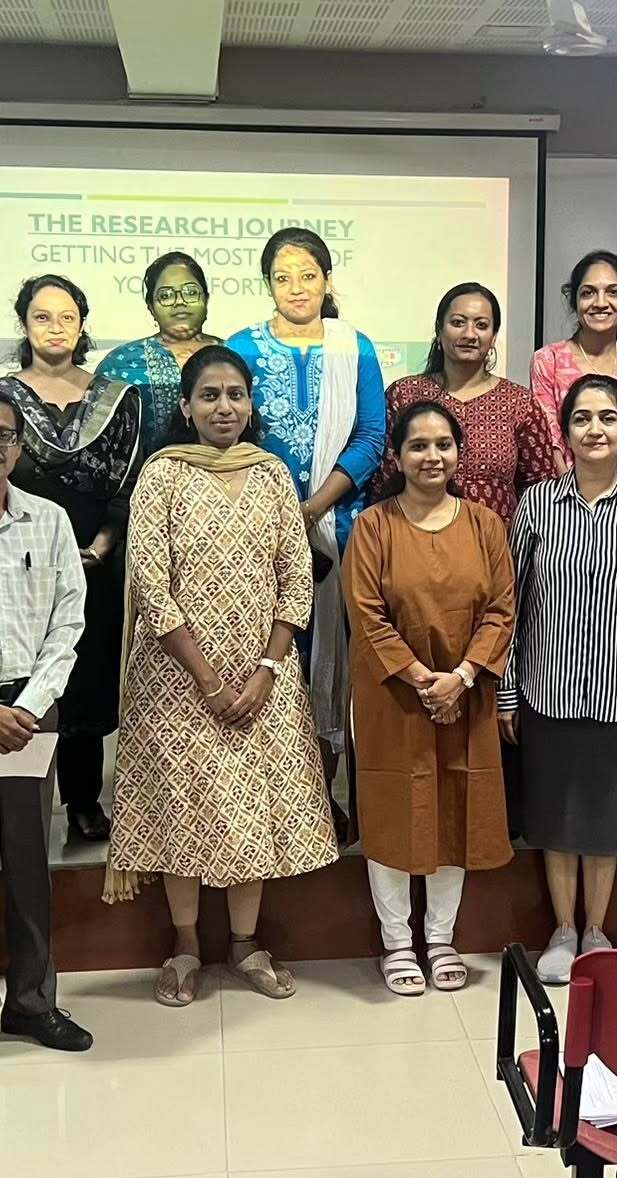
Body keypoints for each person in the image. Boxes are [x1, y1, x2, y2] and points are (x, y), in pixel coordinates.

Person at [107, 345, 338, 1005]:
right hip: (175, 682)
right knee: (183, 807)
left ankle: (243, 944)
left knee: (248, 810)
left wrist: (266, 669)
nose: (224, 407)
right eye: (209, 395)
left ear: (250, 403)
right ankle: (185, 946)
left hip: (262, 679)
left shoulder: (271, 474)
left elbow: (296, 579)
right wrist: (207, 678)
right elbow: (151, 585)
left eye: (236, 394)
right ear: (186, 406)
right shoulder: (162, 475)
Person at [499, 375, 617, 984]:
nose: (595, 429)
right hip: (544, 690)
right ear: (565, 431)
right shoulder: (535, 504)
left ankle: (596, 930)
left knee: (605, 823)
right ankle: (562, 930)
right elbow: (512, 604)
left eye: (608, 418)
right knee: (557, 821)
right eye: (582, 418)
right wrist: (507, 691)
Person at [346, 401, 515, 995]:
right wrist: (422, 679)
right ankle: (397, 941)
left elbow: (501, 610)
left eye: (443, 444)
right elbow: (366, 614)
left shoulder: (485, 525)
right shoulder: (374, 527)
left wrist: (461, 677)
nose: (432, 456)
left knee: (454, 808)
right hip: (393, 697)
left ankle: (441, 938)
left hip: (466, 693)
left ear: (459, 452)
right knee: (394, 810)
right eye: (418, 445)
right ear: (396, 456)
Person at [226, 227, 386, 816]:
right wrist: (278, 515)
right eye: (282, 277)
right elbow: (232, 434)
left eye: (308, 276)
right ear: (268, 284)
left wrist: (313, 508)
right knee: (269, 658)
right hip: (256, 534)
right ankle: (275, 801)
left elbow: (372, 437)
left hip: (341, 532)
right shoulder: (242, 347)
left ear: (327, 280)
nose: (296, 288)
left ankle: (330, 799)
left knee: (335, 661)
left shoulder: (354, 348)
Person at [0, 274, 141, 842]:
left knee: (82, 675)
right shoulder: (5, 397)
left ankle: (82, 799)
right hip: (17, 552)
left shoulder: (116, 397)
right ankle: (19, 808)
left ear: (82, 326)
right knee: (21, 671)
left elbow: (127, 483)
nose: (55, 327)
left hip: (97, 558)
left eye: (67, 317)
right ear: (25, 324)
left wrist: (103, 543)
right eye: (42, 317)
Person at [0, 391, 90, 1051]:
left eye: (2, 435)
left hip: (31, 712)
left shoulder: (49, 519)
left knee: (29, 860)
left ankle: (31, 1003)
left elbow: (68, 621)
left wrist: (29, 706)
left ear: (18, 445)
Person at [368, 282, 555, 524]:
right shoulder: (404, 394)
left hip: (497, 541)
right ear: (439, 330)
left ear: (494, 336)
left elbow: (540, 490)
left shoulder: (520, 403)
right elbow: (383, 480)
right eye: (458, 323)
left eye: (481, 325)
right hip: (414, 535)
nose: (469, 334)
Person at [531, 250, 617, 480]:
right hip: (562, 493)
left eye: (613, 292)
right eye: (588, 293)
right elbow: (551, 441)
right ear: (574, 301)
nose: (601, 303)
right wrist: (571, 495)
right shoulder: (548, 360)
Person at [95, 251, 223, 455]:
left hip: (229, 471)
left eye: (191, 292)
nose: (179, 302)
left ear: (206, 299)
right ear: (151, 307)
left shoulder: (233, 354)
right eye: (165, 296)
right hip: (146, 473)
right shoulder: (119, 364)